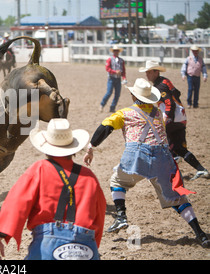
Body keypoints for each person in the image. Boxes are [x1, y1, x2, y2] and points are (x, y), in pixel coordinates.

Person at [83, 78, 209, 248]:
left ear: (133, 96)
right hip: (163, 158)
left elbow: (105, 127)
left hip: (137, 157)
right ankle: (200, 234)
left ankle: (121, 216)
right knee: (178, 199)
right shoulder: (157, 113)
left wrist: (91, 146)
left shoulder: (124, 113)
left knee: (117, 181)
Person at [0, 119, 106, 260]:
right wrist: (92, 244)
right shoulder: (89, 177)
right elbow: (99, 214)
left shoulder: (39, 169)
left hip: (48, 244)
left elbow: (16, 204)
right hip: (86, 246)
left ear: (47, 146)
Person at [140, 60, 209, 180]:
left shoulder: (159, 86)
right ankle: (200, 169)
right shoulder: (165, 81)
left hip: (172, 119)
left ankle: (164, 170)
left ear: (156, 72)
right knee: (177, 147)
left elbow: (169, 104)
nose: (147, 75)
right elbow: (177, 93)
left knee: (160, 143)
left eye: (149, 72)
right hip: (181, 117)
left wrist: (166, 118)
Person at [99, 45, 127, 112]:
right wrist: (115, 72)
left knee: (117, 94)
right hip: (111, 78)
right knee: (109, 92)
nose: (116, 52)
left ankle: (112, 107)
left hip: (118, 79)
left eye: (117, 51)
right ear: (113, 52)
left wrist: (124, 78)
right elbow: (107, 68)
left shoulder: (121, 60)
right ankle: (102, 105)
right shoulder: (110, 59)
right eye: (115, 51)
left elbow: (123, 70)